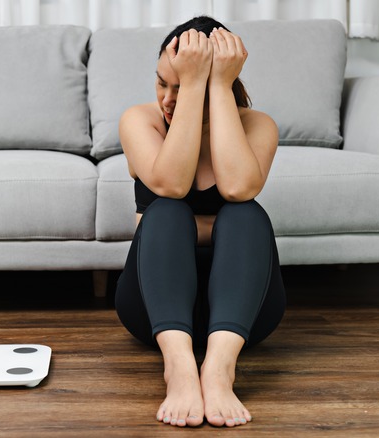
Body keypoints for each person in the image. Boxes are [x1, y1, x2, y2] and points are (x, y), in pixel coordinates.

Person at [114, 15, 286, 428]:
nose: (168, 99)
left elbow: (239, 189)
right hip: (155, 309)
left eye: (183, 85)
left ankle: (220, 369)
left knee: (246, 214)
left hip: (245, 315)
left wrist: (218, 86)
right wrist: (193, 87)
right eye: (163, 83)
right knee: (167, 212)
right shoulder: (141, 121)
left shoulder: (257, 125)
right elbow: (170, 186)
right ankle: (179, 368)